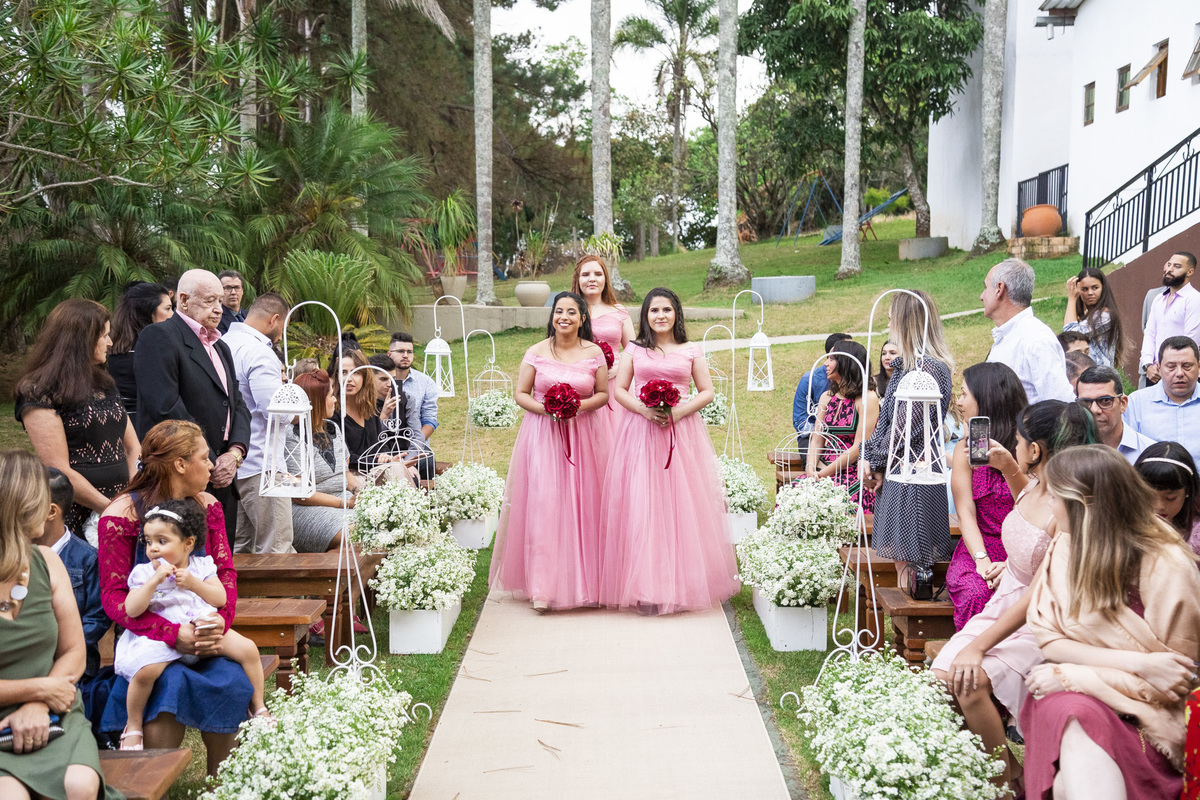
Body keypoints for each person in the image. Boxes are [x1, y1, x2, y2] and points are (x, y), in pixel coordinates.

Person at [933, 400, 1097, 793]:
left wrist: (978, 648)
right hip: (1006, 602)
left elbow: (1043, 588)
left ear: (1037, 450)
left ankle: (1000, 786)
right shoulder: (1039, 483)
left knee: (969, 684)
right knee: (937, 684)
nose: (1016, 445)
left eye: (1020, 441)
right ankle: (1012, 772)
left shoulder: (1072, 506)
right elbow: (1030, 512)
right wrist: (1009, 469)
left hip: (1041, 619)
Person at [1022, 445, 1200, 800]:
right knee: (1075, 714)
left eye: (1055, 497)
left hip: (1150, 715)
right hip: (1069, 691)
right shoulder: (1065, 546)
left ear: (1083, 505)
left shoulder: (1168, 563)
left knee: (1066, 777)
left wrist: (1074, 676)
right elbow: (1050, 640)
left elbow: (1175, 681)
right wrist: (1139, 662)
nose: (1050, 506)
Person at [98, 420, 253, 776]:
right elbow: (114, 598)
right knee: (168, 684)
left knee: (231, 681)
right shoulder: (122, 514)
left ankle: (223, 785)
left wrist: (218, 624)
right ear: (180, 465)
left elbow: (224, 574)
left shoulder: (209, 505)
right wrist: (173, 635)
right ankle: (152, 783)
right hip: (148, 640)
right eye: (204, 457)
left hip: (203, 632)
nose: (212, 464)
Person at [599, 288, 740, 615]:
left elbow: (707, 392)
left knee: (679, 507)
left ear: (676, 313)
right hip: (641, 433)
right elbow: (619, 390)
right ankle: (645, 587)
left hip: (682, 434)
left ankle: (680, 584)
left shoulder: (691, 349)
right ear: (645, 316)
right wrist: (644, 410)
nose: (660, 315)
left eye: (666, 309)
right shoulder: (634, 349)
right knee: (642, 504)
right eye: (653, 310)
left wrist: (678, 412)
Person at [0, 451, 122, 800]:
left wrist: (40, 703)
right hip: (13, 711)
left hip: (55, 709)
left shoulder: (49, 562)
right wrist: (35, 692)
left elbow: (73, 651)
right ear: (20, 505)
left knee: (80, 786)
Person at [491, 292, 610, 611]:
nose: (565, 317)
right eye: (559, 311)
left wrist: (576, 407)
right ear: (552, 316)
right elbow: (521, 393)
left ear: (583, 318)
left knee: (584, 503)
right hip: (543, 435)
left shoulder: (594, 352)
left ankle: (587, 584)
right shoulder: (536, 351)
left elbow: (603, 394)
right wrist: (548, 409)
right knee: (546, 503)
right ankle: (543, 587)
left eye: (572, 312)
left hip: (584, 434)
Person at [114, 500, 267, 749]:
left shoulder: (202, 566)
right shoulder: (143, 573)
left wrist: (194, 583)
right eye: (149, 541)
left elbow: (220, 598)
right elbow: (132, 609)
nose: (153, 549)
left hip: (202, 627)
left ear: (188, 544)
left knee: (248, 649)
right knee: (145, 673)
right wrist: (153, 582)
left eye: (162, 541)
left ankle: (258, 707)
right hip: (163, 636)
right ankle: (133, 726)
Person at [135, 269, 252, 542]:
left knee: (222, 562)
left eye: (220, 301)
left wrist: (234, 454)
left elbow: (237, 403)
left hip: (224, 475)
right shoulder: (159, 336)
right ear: (184, 300)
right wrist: (209, 460)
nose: (218, 309)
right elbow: (165, 407)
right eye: (210, 301)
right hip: (181, 474)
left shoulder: (221, 347)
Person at [15, 298, 140, 537]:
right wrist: (108, 507)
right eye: (104, 335)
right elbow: (57, 466)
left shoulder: (105, 384)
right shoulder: (39, 391)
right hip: (73, 513)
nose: (110, 342)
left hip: (121, 507)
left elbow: (133, 447)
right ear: (81, 339)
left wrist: (131, 496)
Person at [862, 290, 956, 582]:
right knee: (901, 561)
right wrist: (876, 464)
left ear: (904, 323)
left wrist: (871, 458)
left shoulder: (929, 369)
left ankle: (913, 623)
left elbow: (904, 431)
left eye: (891, 319)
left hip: (914, 475)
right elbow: (886, 422)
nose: (887, 326)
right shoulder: (906, 368)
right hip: (897, 470)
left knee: (910, 564)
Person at [945, 362, 1028, 631]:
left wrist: (1009, 468)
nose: (959, 401)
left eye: (965, 394)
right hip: (978, 546)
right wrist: (981, 559)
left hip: (1023, 547)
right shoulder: (964, 450)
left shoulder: (1029, 447)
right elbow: (965, 512)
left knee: (1020, 596)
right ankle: (971, 662)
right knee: (976, 592)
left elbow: (1035, 507)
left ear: (987, 397)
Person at [31, 469, 112, 737]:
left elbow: (97, 617)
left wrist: (59, 646)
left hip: (74, 666)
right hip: (27, 663)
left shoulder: (87, 558)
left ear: (51, 511)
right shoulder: (14, 555)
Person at [222, 292, 295, 554]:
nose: (280, 336)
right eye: (282, 328)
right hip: (264, 466)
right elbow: (277, 412)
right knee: (276, 548)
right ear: (274, 320)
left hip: (232, 462)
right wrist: (298, 405)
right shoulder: (259, 353)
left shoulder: (222, 342)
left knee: (241, 548)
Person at [285, 370, 365, 553]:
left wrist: (358, 491)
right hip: (307, 509)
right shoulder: (292, 437)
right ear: (316, 401)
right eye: (330, 395)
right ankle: (332, 580)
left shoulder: (333, 428)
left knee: (385, 523)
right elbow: (300, 494)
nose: (335, 399)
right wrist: (345, 504)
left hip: (342, 500)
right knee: (356, 535)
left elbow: (344, 471)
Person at [983, 258, 1075, 403]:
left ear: (999, 289)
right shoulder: (1011, 336)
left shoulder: (1036, 340)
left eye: (986, 287)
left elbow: (1060, 406)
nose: (981, 297)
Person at [804, 340, 878, 512]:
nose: (825, 363)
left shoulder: (867, 398)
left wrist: (823, 474)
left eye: (831, 359)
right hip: (820, 470)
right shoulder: (826, 397)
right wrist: (810, 469)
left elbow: (858, 447)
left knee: (835, 505)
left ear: (845, 363)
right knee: (793, 497)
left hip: (851, 473)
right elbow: (816, 440)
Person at [572, 255, 634, 417]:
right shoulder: (570, 312)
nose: (592, 279)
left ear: (605, 279)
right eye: (585, 275)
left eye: (598, 274)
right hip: (581, 383)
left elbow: (634, 352)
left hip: (614, 382)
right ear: (577, 279)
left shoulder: (619, 311)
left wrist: (618, 369)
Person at [1125, 335, 1200, 463]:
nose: (1179, 373)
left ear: (1198, 367)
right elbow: (1127, 452)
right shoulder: (1137, 403)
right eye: (1171, 366)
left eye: (1187, 366)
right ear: (1158, 368)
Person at [108, 281, 173, 428]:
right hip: (146, 428)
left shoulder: (119, 344)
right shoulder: (150, 349)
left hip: (122, 424)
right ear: (148, 312)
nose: (172, 315)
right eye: (168, 309)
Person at [1140, 252, 1200, 385]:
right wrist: (1148, 364)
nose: (1170, 269)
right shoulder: (1159, 299)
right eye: (1169, 264)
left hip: (1180, 375)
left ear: (1190, 272)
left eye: (1177, 266)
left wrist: (1169, 367)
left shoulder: (1194, 299)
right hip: (1154, 373)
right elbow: (1149, 334)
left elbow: (1190, 341)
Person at [1075, 365, 1156, 463]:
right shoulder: (1067, 453)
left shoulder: (1149, 454)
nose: (1094, 410)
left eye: (1105, 401)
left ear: (1123, 403)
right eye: (1085, 402)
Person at [386, 332, 440, 480]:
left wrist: (413, 450)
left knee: (426, 463)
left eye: (409, 352)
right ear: (389, 354)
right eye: (401, 351)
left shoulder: (425, 382)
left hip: (417, 445)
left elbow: (430, 420)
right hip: (384, 445)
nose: (406, 355)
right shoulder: (380, 381)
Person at [1135, 442, 1200, 555]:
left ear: (1187, 491)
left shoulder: (1196, 537)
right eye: (1149, 496)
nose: (1159, 506)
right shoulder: (1122, 529)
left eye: (1170, 498)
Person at [1063, 266, 1126, 368]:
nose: (1090, 293)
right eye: (1084, 289)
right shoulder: (1085, 315)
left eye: (1095, 288)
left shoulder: (1106, 316)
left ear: (1103, 288)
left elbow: (1070, 335)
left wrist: (1071, 298)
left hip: (1101, 378)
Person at [216, 270, 246, 335]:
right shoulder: (216, 317)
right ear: (220, 290)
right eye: (228, 288)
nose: (233, 292)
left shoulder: (249, 315)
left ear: (242, 291)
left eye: (237, 287)